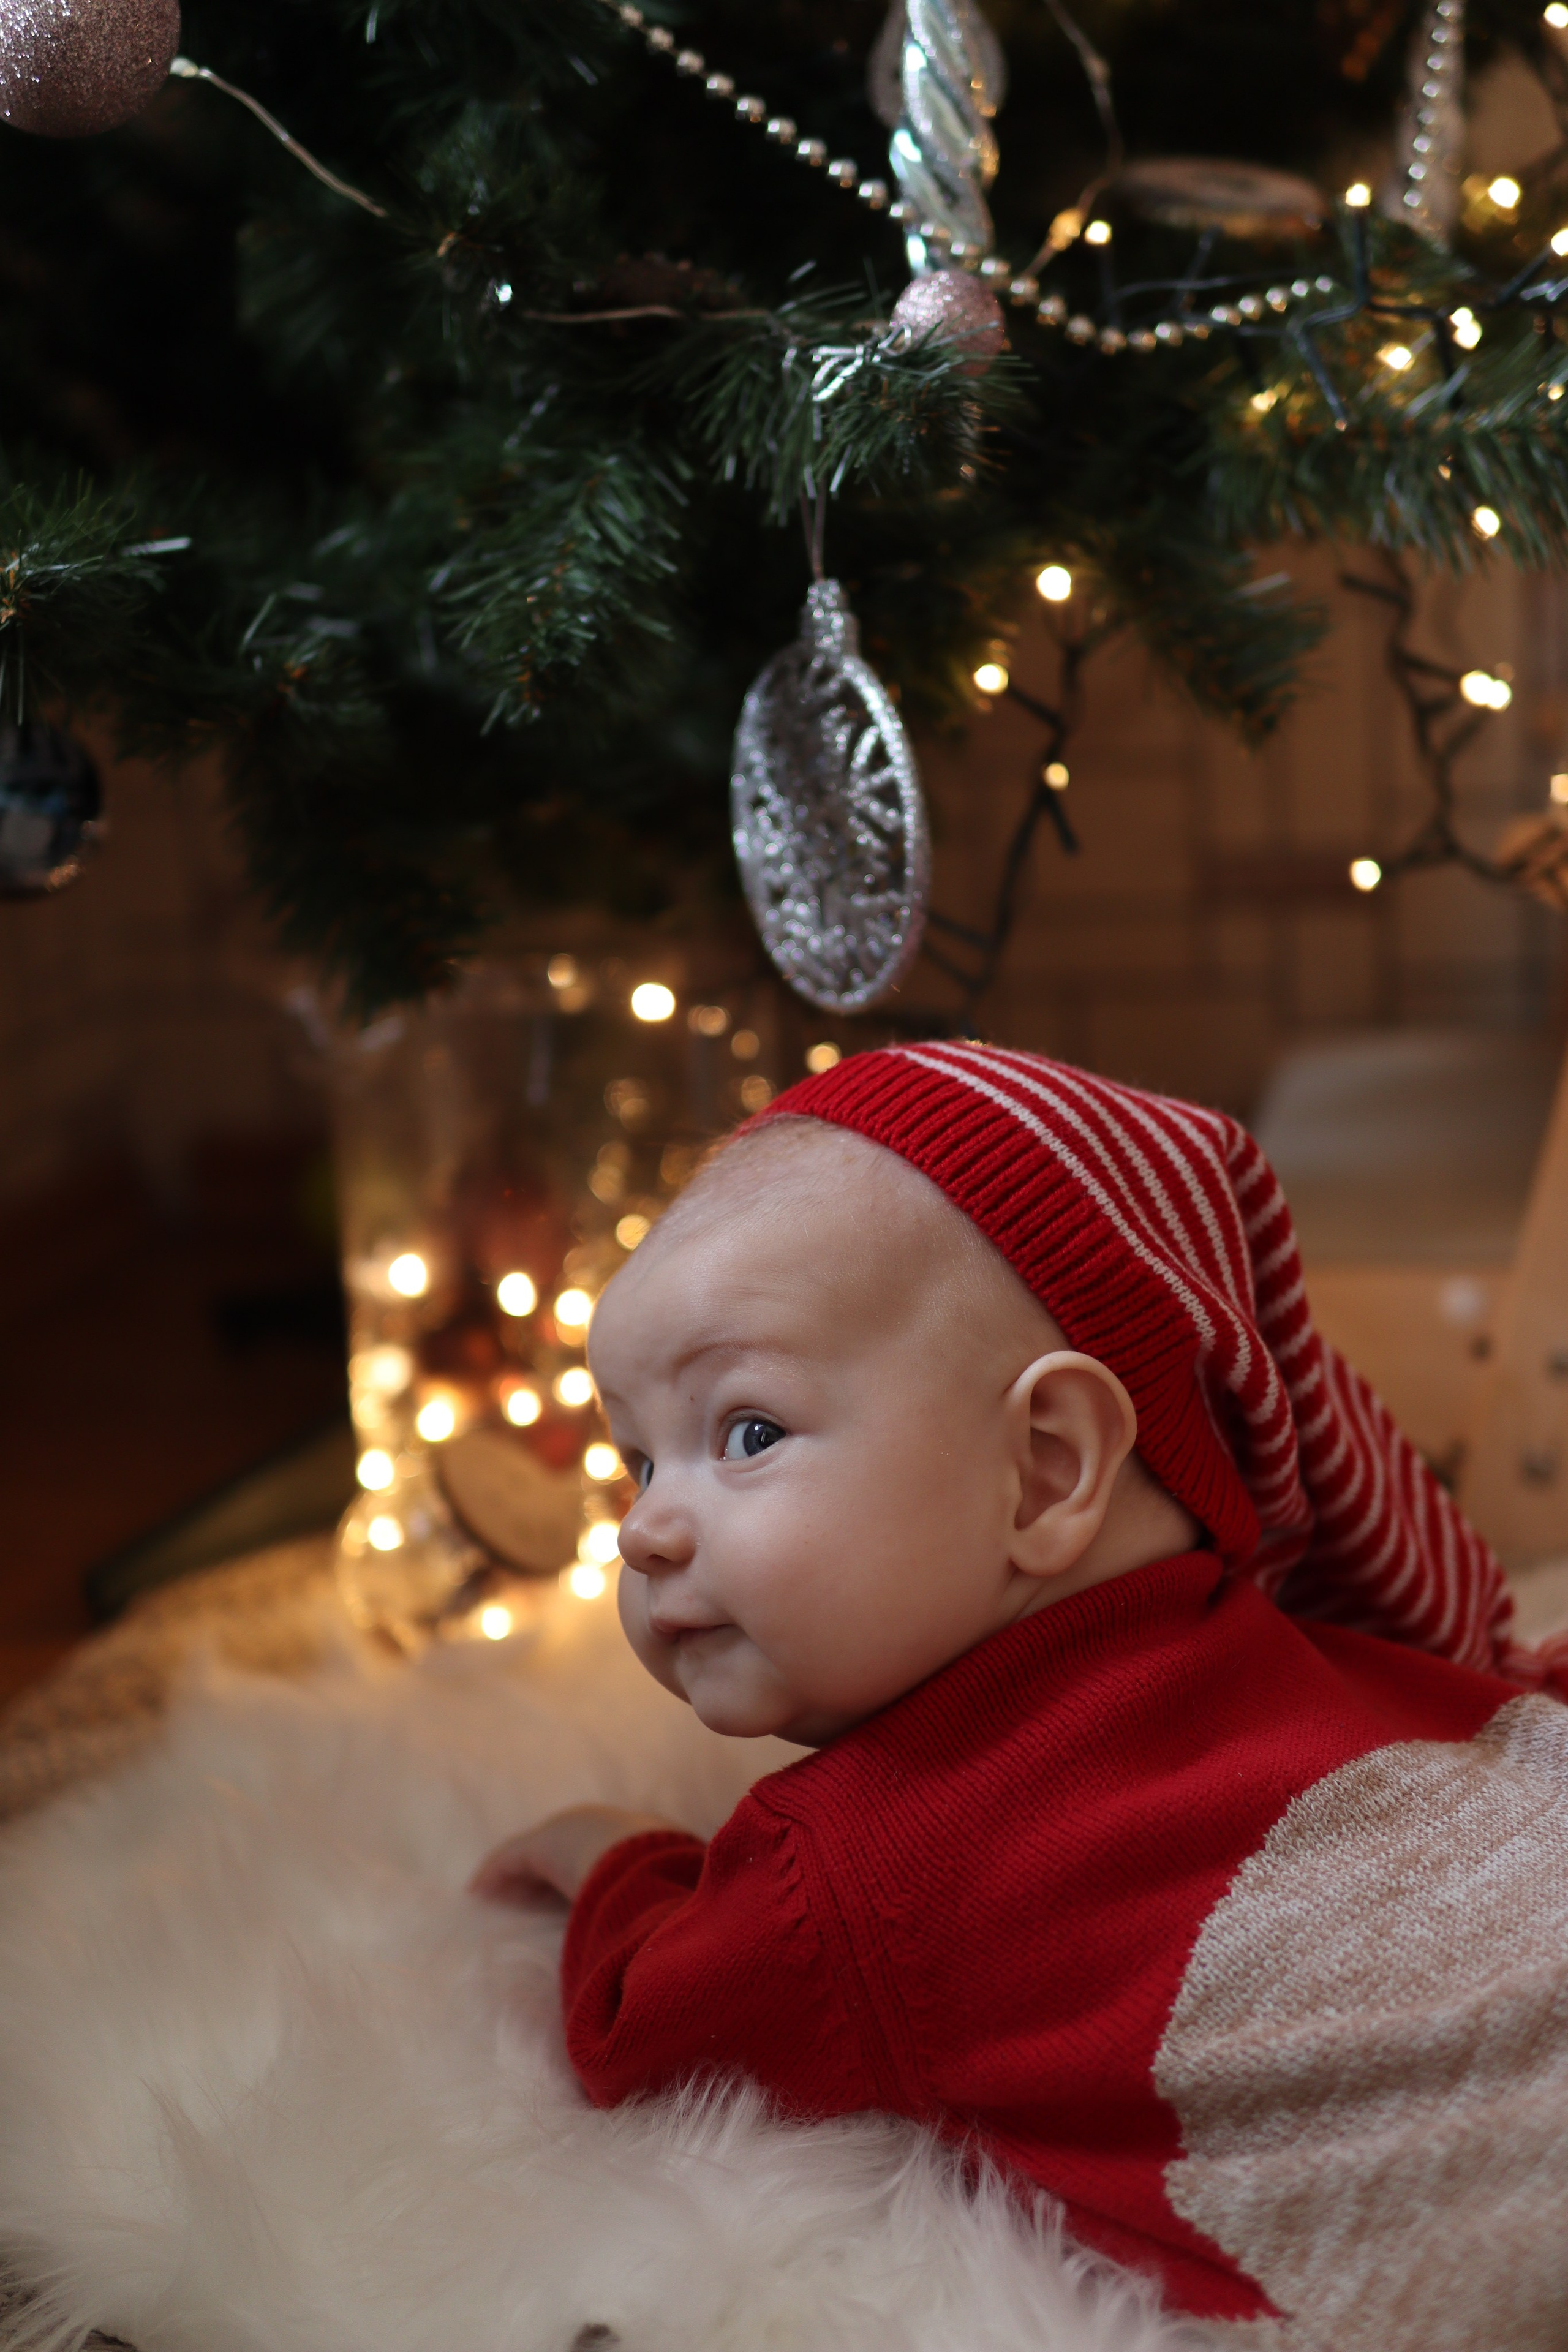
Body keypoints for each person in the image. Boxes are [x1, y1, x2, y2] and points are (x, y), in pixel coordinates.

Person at [473, 1043, 1568, 2346]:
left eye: (746, 1432)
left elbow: (637, 2025)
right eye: (638, 1461)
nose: (644, 1531)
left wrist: (606, 1853)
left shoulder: (846, 1875)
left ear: (1047, 1469)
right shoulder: (1336, 1666)